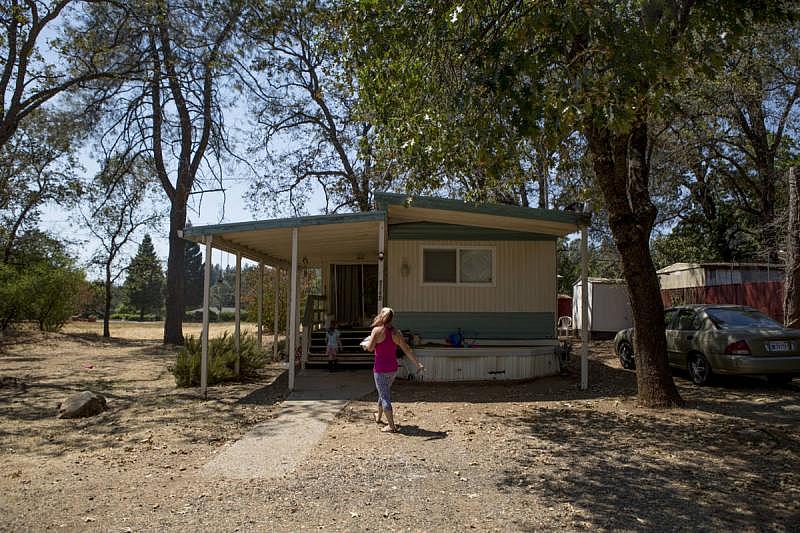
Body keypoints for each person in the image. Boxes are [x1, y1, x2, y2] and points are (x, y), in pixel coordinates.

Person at [363, 307, 423, 432]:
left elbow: (370, 348)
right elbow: (407, 350)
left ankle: (391, 426)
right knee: (383, 391)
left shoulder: (377, 331)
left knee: (384, 395)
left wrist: (365, 345)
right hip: (393, 369)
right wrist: (418, 364)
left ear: (381, 316)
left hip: (380, 369)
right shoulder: (397, 333)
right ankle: (378, 417)